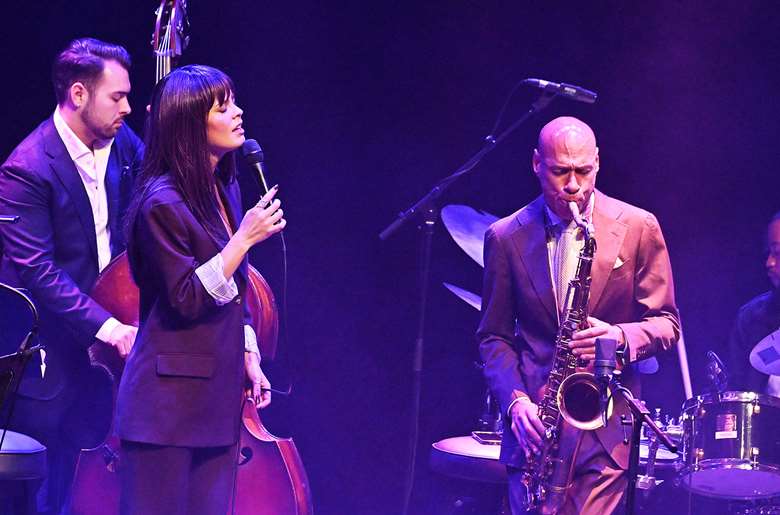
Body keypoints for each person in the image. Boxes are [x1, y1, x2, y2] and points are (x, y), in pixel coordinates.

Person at [476, 116, 680, 514]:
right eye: (560, 171)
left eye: (584, 171)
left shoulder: (639, 227)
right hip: (536, 429)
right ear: (537, 163)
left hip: (604, 431)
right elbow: (493, 336)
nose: (574, 185)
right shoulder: (504, 236)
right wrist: (516, 403)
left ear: (598, 163)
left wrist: (619, 338)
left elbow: (667, 323)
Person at [115, 64, 285, 515]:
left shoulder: (219, 186)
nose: (238, 114)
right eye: (223, 107)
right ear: (190, 123)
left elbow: (237, 286)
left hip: (216, 403)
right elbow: (187, 297)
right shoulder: (161, 202)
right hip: (166, 411)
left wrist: (248, 351)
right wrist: (243, 239)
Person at [0, 38, 143, 514]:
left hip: (113, 351)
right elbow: (37, 271)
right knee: (55, 489)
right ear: (79, 95)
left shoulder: (122, 142)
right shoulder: (27, 169)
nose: (127, 107)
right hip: (54, 357)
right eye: (116, 97)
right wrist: (108, 325)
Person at [728, 211, 780, 395]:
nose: (769, 262)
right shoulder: (750, 318)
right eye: (769, 253)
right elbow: (737, 391)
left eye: (778, 253)